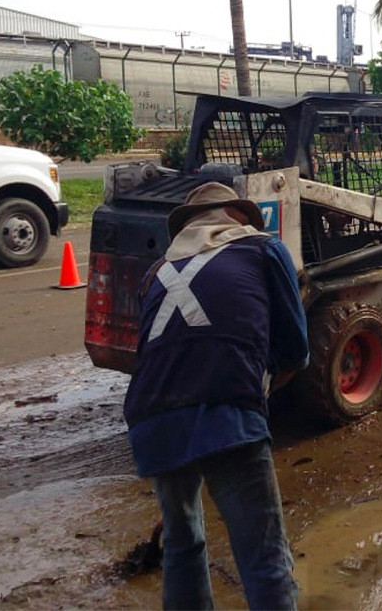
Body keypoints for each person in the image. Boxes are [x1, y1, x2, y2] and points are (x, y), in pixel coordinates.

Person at [124, 182, 309, 610]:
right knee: (264, 558)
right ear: (238, 217)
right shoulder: (264, 249)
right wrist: (258, 391)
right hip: (227, 411)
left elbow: (157, 349)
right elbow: (296, 351)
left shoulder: (156, 273)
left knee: (182, 544)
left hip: (151, 420)